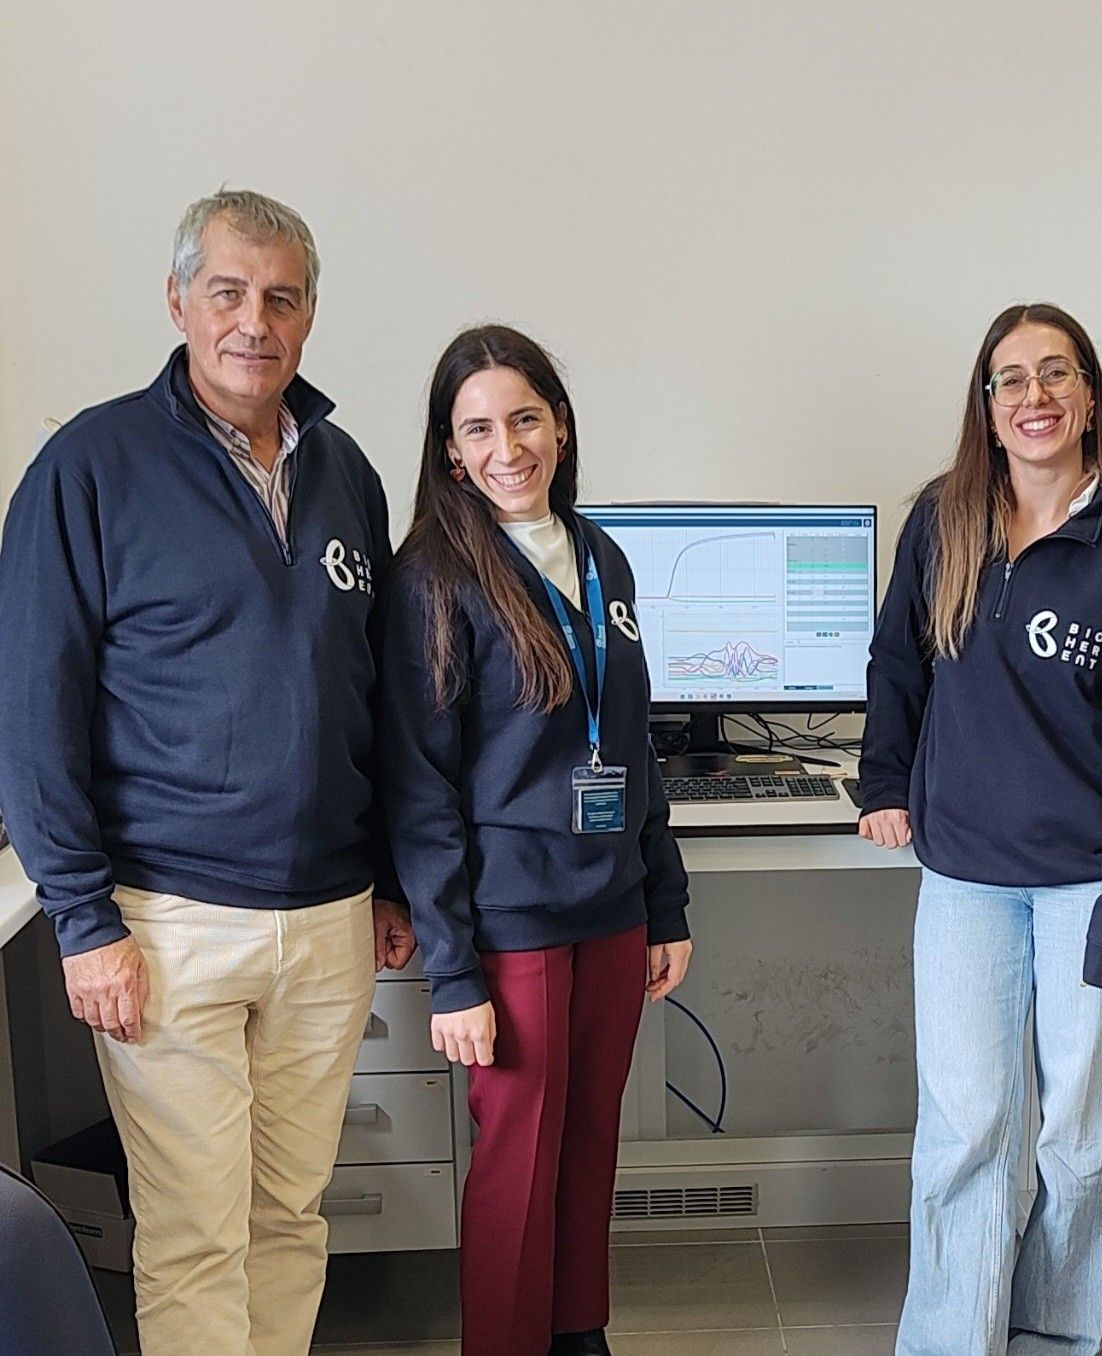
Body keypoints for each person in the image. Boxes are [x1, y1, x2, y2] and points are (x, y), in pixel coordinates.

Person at [0, 189, 415, 1356]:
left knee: (288, 1215)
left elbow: (372, 697)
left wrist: (388, 880)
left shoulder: (345, 472)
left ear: (311, 316)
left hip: (327, 918)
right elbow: (32, 711)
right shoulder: (89, 466)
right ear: (178, 299)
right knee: (193, 1234)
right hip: (168, 919)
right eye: (227, 292)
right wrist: (83, 923)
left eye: (281, 297)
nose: (253, 321)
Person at [858, 303, 1102, 1355]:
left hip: (1087, 885)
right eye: (1010, 378)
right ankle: (953, 1339)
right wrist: (883, 783)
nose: (1034, 395)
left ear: (1090, 396)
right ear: (987, 406)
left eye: (1056, 374)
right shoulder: (943, 520)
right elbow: (897, 666)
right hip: (963, 877)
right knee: (963, 1132)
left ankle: (1051, 1334)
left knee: (1078, 1139)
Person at [378, 324, 692, 1356]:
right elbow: (418, 785)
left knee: (589, 1142)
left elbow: (632, 747)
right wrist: (454, 972)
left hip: (610, 909)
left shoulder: (601, 556)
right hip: (508, 921)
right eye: (479, 428)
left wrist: (666, 902)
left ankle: (577, 1330)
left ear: (559, 425)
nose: (506, 446)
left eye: (524, 418)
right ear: (450, 450)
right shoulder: (435, 573)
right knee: (518, 1155)